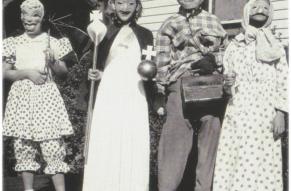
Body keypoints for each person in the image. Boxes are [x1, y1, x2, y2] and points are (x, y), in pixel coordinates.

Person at [212, 0, 288, 190]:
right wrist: (227, 84)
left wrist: (281, 113)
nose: (260, 10)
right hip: (239, 111)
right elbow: (227, 79)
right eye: (254, 7)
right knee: (238, 159)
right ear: (246, 13)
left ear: (270, 13)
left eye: (264, 7)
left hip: (266, 113)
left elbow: (285, 80)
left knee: (262, 161)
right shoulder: (235, 45)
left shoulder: (276, 45)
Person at [155, 0, 227, 191]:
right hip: (180, 82)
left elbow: (224, 52)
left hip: (209, 82)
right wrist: (162, 90)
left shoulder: (213, 21)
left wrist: (212, 60)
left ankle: (204, 187)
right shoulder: (169, 23)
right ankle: (167, 187)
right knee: (174, 140)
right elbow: (162, 59)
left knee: (211, 135)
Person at [82, 0, 154, 190]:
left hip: (135, 96)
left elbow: (149, 65)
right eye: (120, 2)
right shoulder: (103, 32)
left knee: (132, 141)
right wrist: (93, 73)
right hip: (108, 96)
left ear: (137, 6)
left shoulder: (145, 35)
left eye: (130, 3)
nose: (125, 8)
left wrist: (150, 75)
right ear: (113, 4)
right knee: (107, 141)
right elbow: (95, 63)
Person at [2, 0, 74, 191]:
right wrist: (26, 73)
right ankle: (28, 189)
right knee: (24, 146)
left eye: (34, 15)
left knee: (52, 146)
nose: (29, 18)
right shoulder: (14, 43)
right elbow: (4, 72)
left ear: (42, 17)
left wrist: (54, 61)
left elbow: (63, 74)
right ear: (21, 16)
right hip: (23, 100)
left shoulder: (54, 42)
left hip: (47, 99)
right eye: (25, 14)